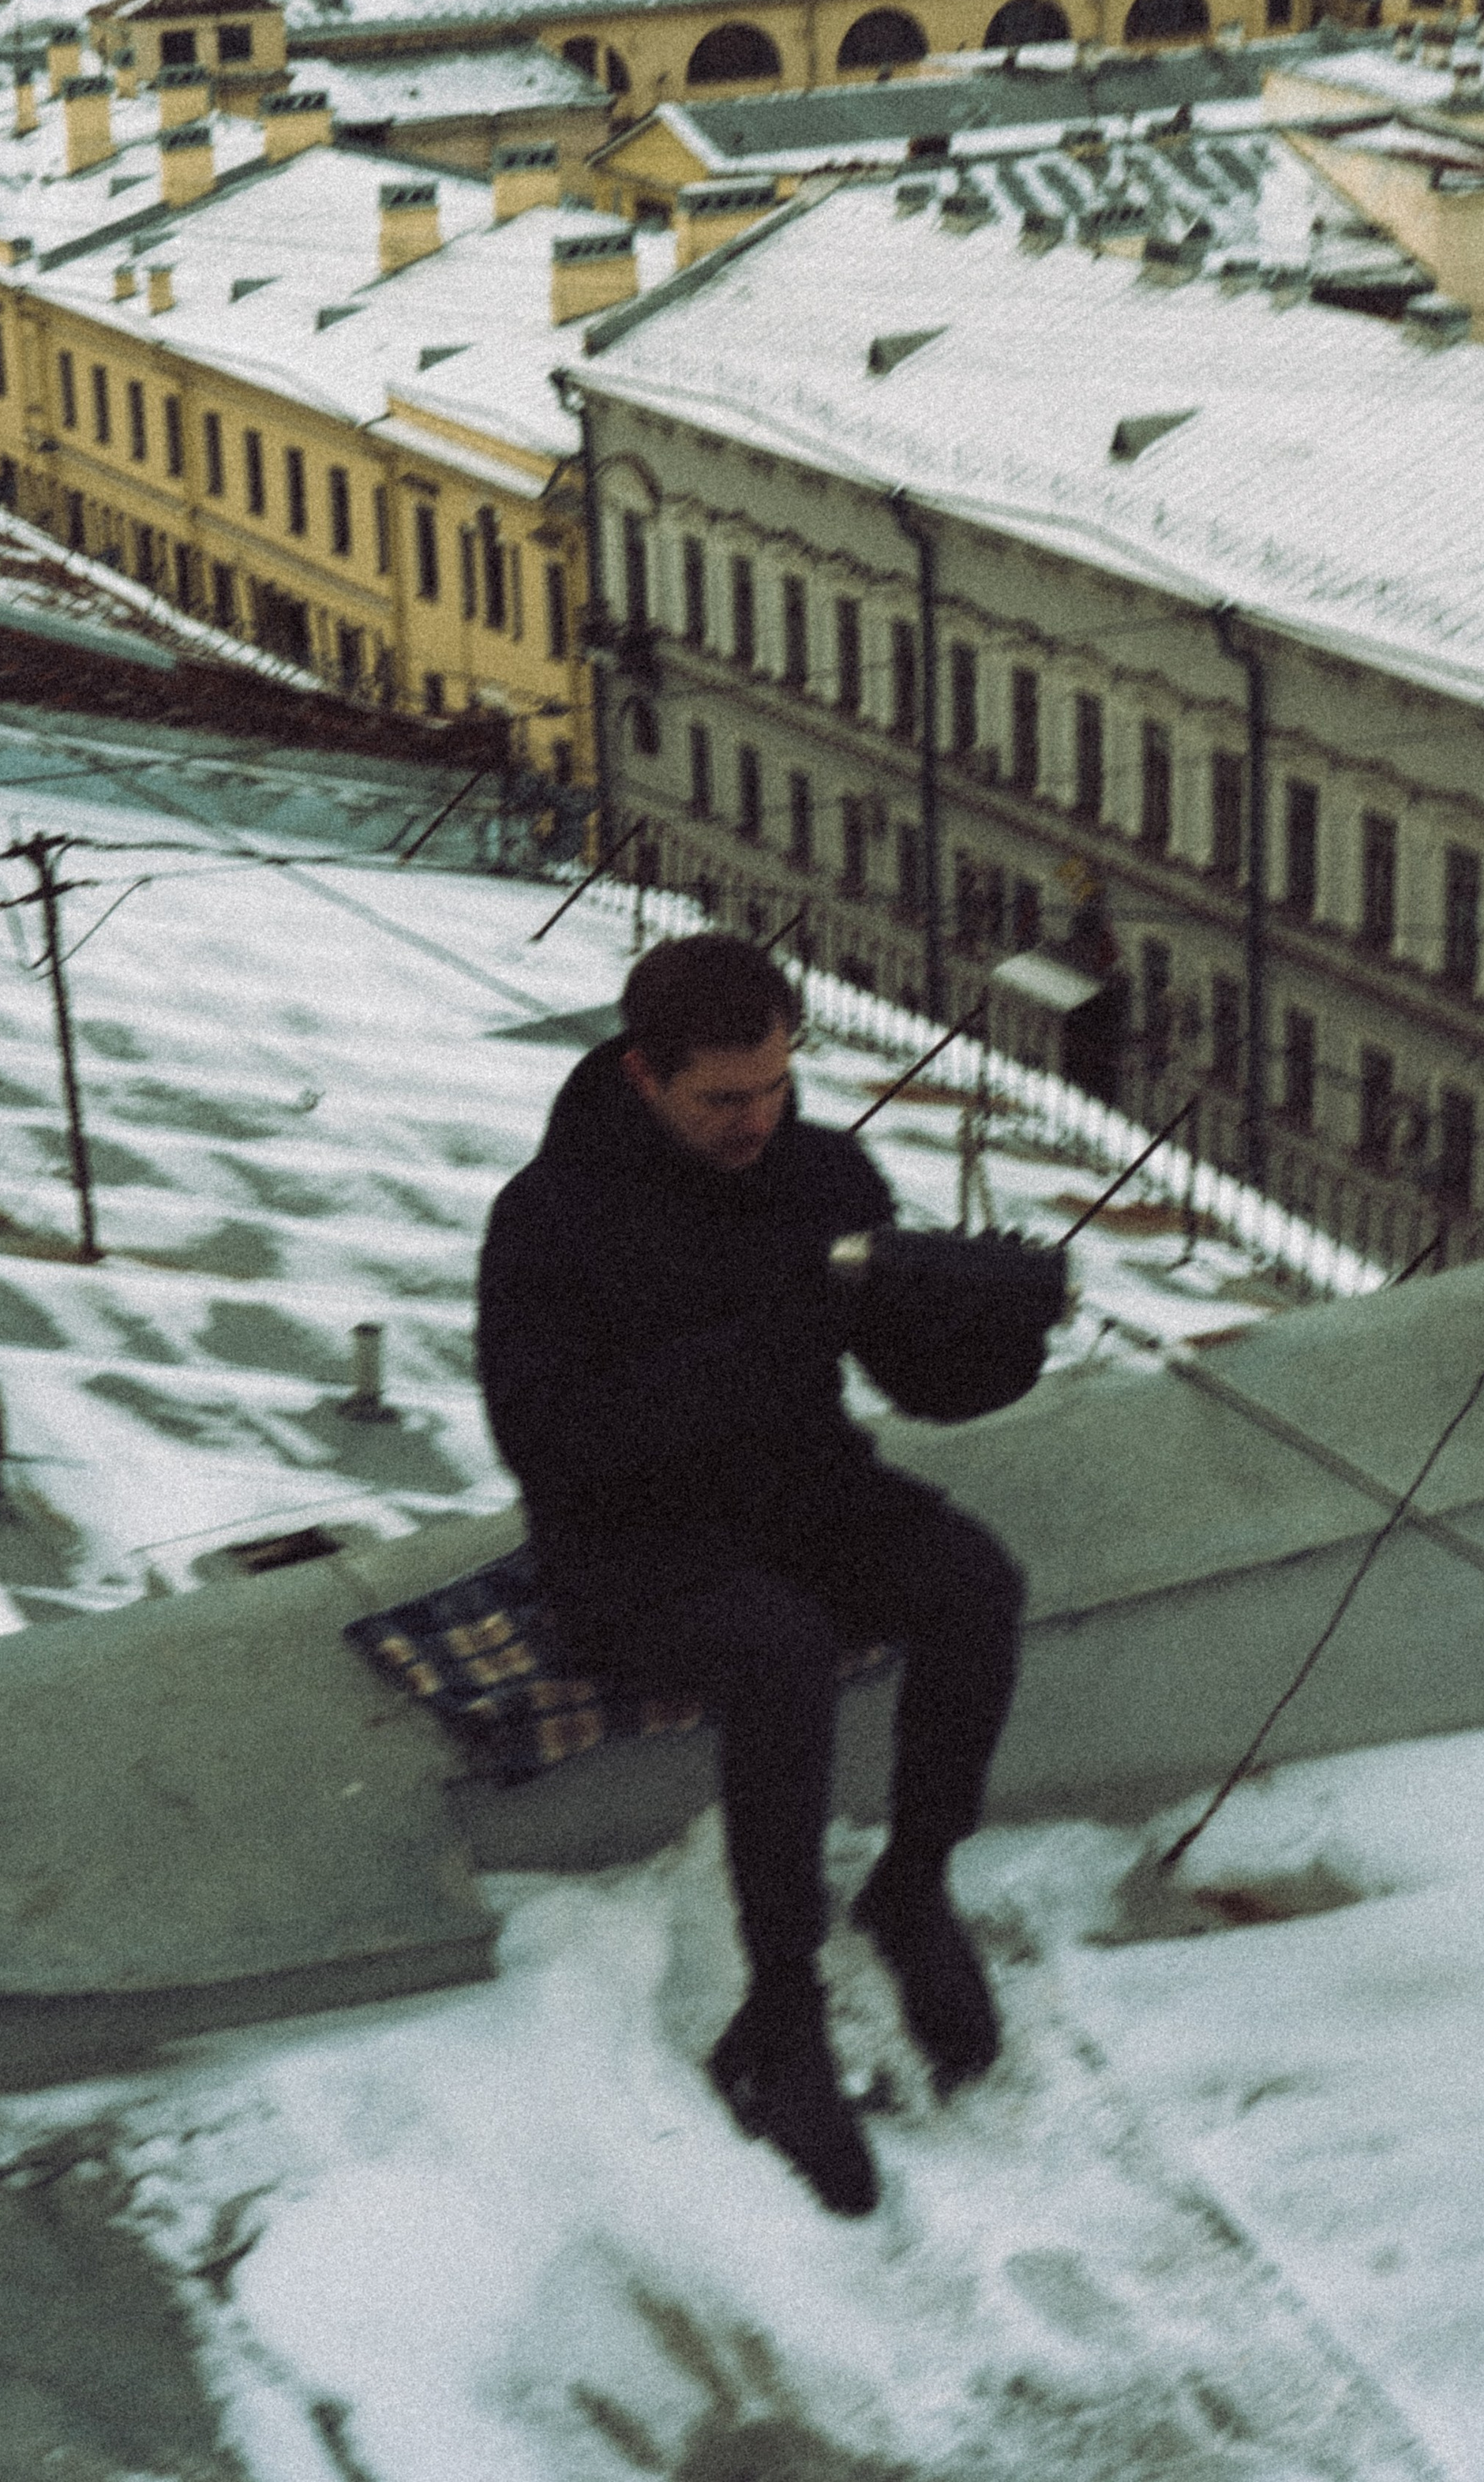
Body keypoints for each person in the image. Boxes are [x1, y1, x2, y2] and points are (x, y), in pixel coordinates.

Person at [476, 932, 1072, 2218]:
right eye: (723, 1101)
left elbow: (912, 1379)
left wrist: (993, 1335)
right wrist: (769, 1335)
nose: (759, 1121)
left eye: (776, 1088)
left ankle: (913, 1891)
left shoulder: (820, 1173)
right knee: (778, 1650)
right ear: (645, 1076)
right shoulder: (552, 1214)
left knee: (974, 1584)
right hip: (625, 1544)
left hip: (797, 1492)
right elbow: (548, 1439)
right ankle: (780, 2007)